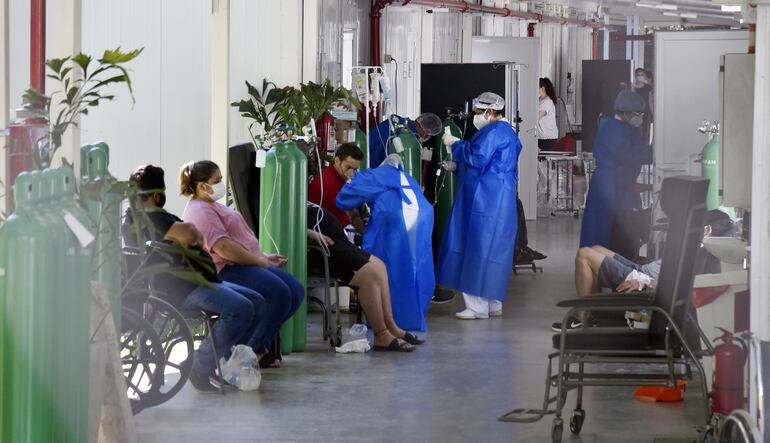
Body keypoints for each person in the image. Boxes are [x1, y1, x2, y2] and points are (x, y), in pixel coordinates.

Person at [123, 165, 267, 392]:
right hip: (181, 289)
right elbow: (192, 235)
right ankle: (199, 365)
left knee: (257, 301)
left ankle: (225, 358)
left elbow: (192, 236)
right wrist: (190, 233)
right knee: (242, 308)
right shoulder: (150, 219)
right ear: (156, 195)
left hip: (197, 281)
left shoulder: (143, 219)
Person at [179, 160, 304, 366]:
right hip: (225, 268)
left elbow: (238, 239)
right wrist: (259, 261)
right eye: (216, 181)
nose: (222, 185)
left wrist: (263, 256)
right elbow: (224, 248)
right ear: (202, 186)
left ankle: (255, 348)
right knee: (279, 293)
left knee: (295, 290)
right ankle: (246, 352)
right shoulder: (199, 211)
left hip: (244, 262)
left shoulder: (212, 205)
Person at [560, 209, 733, 331]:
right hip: (642, 270)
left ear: (707, 229)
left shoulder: (700, 252)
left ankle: (582, 316)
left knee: (584, 255)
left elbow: (678, 284)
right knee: (597, 248)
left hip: (642, 279)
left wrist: (647, 283)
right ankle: (594, 312)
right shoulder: (698, 248)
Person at [436, 92, 522, 320]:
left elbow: (477, 158)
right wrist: (457, 167)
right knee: (495, 251)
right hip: (500, 198)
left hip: (484, 199)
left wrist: (456, 145)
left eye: (477, 112)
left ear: (490, 111)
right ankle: (493, 302)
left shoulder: (493, 132)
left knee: (477, 248)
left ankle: (476, 306)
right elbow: (491, 164)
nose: (475, 117)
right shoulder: (508, 133)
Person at [336, 154, 435, 332]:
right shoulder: (407, 178)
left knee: (383, 265)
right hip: (424, 216)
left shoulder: (376, 174)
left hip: (395, 217)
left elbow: (344, 197)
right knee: (417, 266)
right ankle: (413, 316)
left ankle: (390, 320)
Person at [307, 203, 423, 351]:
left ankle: (391, 326)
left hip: (339, 243)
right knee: (369, 275)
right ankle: (381, 335)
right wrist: (311, 233)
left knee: (380, 266)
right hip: (323, 250)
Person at [580, 89, 653, 260]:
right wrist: (656, 152)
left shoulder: (627, 128)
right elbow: (629, 155)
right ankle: (600, 266)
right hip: (609, 188)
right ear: (626, 113)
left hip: (620, 186)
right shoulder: (612, 129)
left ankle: (618, 263)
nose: (640, 117)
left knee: (623, 230)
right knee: (605, 230)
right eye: (637, 114)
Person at [308, 143, 366, 232]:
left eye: (355, 169)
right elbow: (352, 218)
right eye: (348, 167)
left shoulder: (337, 177)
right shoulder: (330, 182)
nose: (351, 174)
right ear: (337, 161)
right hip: (322, 234)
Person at [368, 112, 443, 168]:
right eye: (428, 135)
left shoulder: (396, 120)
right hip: (371, 168)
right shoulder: (409, 140)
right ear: (426, 134)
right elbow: (392, 164)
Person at [537, 77, 559, 152]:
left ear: (542, 88)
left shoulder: (547, 101)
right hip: (541, 136)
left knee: (543, 160)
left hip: (548, 138)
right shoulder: (539, 100)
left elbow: (537, 116)